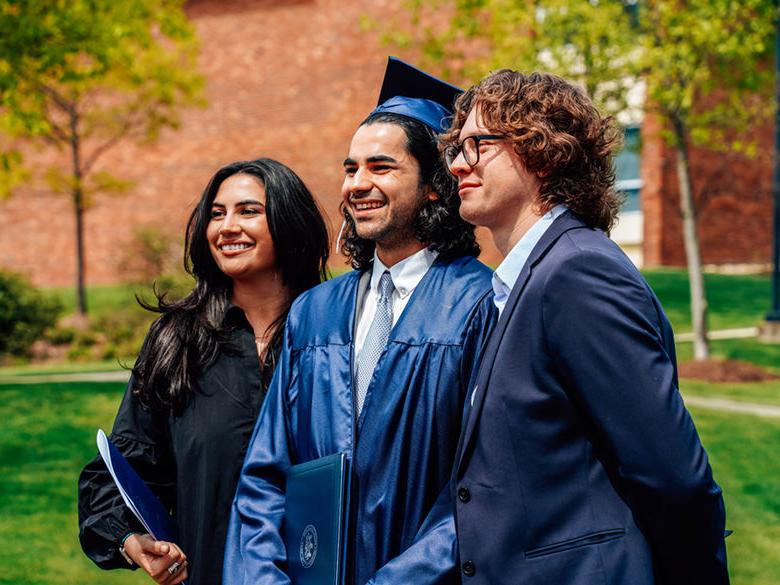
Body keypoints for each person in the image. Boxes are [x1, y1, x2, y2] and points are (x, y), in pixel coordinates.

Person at [443, 70, 729, 584]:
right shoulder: (520, 285)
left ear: (543, 151)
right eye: (456, 148)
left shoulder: (577, 273)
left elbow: (672, 476)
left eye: (478, 143)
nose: (460, 163)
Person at [224, 58, 496, 585]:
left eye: (381, 167)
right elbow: (265, 472)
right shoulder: (315, 312)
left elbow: (483, 484)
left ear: (436, 185)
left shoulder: (480, 305)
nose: (357, 184)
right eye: (351, 169)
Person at [78, 158, 330, 585]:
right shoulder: (177, 341)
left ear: (290, 221)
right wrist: (131, 540)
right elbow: (124, 471)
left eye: (248, 211)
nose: (226, 227)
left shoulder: (334, 331)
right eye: (216, 213)